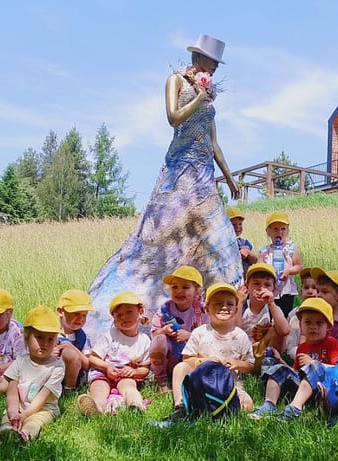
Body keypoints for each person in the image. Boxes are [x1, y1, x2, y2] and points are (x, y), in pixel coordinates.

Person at [86, 34, 242, 337]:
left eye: (217, 64)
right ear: (198, 57)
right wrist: (199, 96)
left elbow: (213, 143)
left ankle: (221, 321)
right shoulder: (176, 81)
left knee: (218, 239)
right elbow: (173, 118)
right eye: (212, 61)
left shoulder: (209, 96)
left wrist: (229, 178)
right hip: (179, 170)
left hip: (204, 175)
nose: (214, 68)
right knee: (163, 237)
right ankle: (152, 312)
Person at [0, 305, 65, 448]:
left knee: (34, 423)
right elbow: (12, 391)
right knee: (8, 421)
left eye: (51, 339)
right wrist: (13, 411)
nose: (45, 343)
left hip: (44, 409)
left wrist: (25, 415)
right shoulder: (20, 361)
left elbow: (42, 396)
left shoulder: (57, 367)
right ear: (26, 338)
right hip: (18, 407)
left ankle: (24, 436)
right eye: (39, 337)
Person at [165, 283, 255, 421]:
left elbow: (250, 365)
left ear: (236, 309)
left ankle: (218, 408)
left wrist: (237, 364)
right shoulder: (200, 333)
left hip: (228, 385)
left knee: (248, 405)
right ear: (207, 309)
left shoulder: (240, 336)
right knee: (180, 367)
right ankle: (181, 405)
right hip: (200, 384)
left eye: (229, 304)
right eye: (218, 303)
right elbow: (187, 359)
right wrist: (204, 361)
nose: (224, 307)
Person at [250, 298, 338, 422]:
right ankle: (269, 404)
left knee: (313, 366)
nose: (313, 327)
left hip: (322, 388)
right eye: (308, 322)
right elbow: (296, 372)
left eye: (319, 323)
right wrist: (281, 361)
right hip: (302, 388)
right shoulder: (302, 347)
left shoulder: (332, 344)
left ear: (328, 326)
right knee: (278, 368)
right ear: (300, 325)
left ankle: (295, 408)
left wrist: (315, 363)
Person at [76, 291, 151, 416]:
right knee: (99, 387)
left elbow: (145, 369)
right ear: (114, 319)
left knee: (128, 387)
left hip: (126, 376)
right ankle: (97, 407)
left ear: (140, 312)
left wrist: (134, 372)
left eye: (129, 312)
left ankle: (135, 404)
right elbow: (93, 358)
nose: (124, 317)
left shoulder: (144, 340)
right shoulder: (110, 335)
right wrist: (107, 367)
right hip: (103, 372)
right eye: (119, 315)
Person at [149, 265, 208, 392]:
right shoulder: (165, 310)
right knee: (159, 339)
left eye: (185, 287)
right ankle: (161, 380)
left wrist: (190, 335)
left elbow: (209, 337)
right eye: (174, 287)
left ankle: (194, 379)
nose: (179, 291)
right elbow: (154, 335)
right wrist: (164, 331)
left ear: (197, 292)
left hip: (189, 360)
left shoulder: (202, 311)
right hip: (169, 359)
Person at [239, 263, 289, 363]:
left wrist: (271, 303)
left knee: (276, 331)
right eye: (256, 284)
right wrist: (239, 303)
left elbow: (285, 330)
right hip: (244, 353)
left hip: (264, 352)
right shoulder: (242, 307)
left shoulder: (273, 308)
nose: (261, 288)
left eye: (267, 285)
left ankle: (271, 363)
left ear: (273, 289)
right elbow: (233, 330)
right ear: (247, 286)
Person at [258, 211, 304, 317]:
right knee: (270, 315)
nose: (279, 232)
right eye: (275, 229)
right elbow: (258, 267)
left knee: (285, 314)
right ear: (268, 231)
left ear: (288, 230)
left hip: (286, 290)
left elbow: (299, 266)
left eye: (283, 229)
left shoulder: (291, 248)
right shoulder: (265, 251)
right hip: (269, 290)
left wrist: (288, 271)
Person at [54, 289, 94, 392]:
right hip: (51, 372)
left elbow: (88, 364)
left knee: (71, 354)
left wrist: (72, 347)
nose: (80, 319)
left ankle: (69, 389)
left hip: (74, 376)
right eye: (75, 314)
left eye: (84, 315)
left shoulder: (82, 337)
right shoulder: (51, 333)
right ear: (61, 312)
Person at [227, 207, 258, 275]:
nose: (237, 227)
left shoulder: (244, 243)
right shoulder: (223, 244)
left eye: (240, 224)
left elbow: (255, 260)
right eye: (233, 224)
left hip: (243, 276)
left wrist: (248, 252)